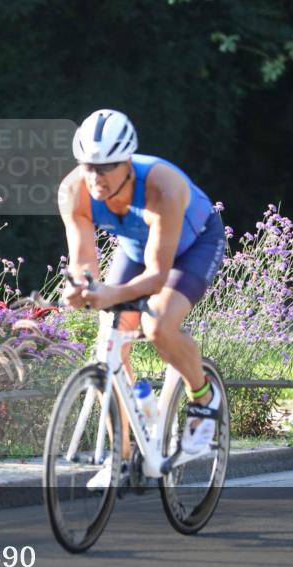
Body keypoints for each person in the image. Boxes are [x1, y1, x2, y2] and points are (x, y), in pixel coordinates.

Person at [58, 109, 226, 487]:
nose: (95, 177)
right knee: (107, 345)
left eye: (106, 167)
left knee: (158, 324)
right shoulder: (74, 191)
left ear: (128, 163)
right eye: (88, 166)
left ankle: (203, 396)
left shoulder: (161, 187)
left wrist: (112, 293)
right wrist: (80, 285)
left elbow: (157, 276)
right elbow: (83, 259)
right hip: (136, 250)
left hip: (194, 246)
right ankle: (122, 456)